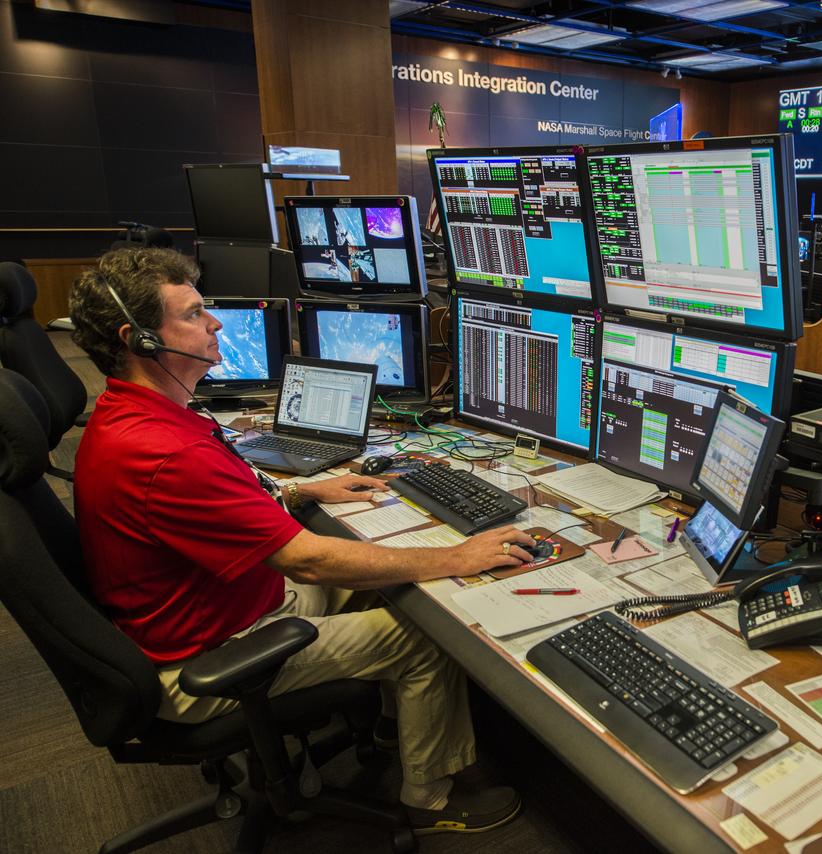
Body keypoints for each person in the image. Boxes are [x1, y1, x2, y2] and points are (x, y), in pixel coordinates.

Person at [69, 248, 536, 835]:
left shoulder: (136, 416)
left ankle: (403, 727)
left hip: (219, 608)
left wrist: (300, 494)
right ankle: (430, 797)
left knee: (390, 590)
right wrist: (456, 555)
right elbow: (308, 562)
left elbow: (212, 511)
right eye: (193, 313)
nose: (215, 323)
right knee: (426, 634)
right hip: (208, 659)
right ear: (138, 340)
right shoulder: (166, 451)